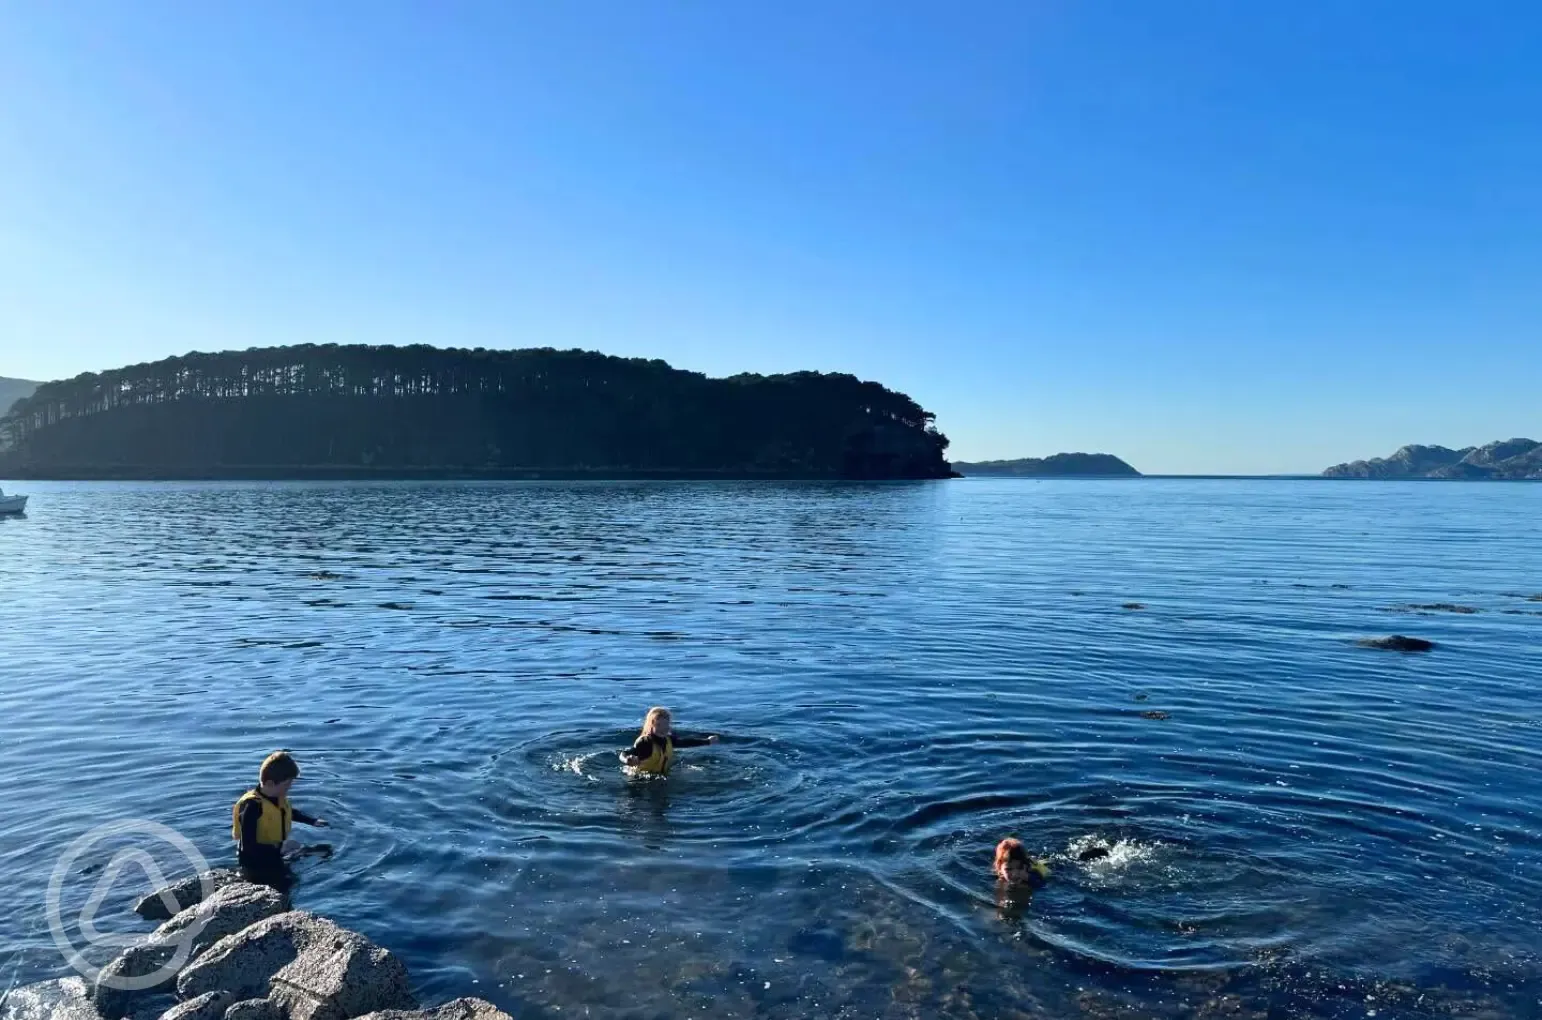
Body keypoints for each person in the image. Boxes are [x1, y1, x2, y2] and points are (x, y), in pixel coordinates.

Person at [231, 751, 329, 887]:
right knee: (287, 884)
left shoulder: (276, 799)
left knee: (318, 850)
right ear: (270, 783)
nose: (289, 788)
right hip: (254, 861)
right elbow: (248, 846)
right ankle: (300, 853)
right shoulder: (252, 806)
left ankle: (300, 852)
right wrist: (279, 849)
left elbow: (288, 812)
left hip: (273, 851)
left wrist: (312, 821)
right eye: (287, 784)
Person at [619, 707, 719, 775]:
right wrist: (628, 760)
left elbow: (685, 742)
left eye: (666, 725)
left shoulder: (669, 739)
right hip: (639, 780)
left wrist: (707, 741)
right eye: (658, 725)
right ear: (651, 726)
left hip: (662, 777)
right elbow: (623, 754)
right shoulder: (645, 742)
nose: (663, 729)